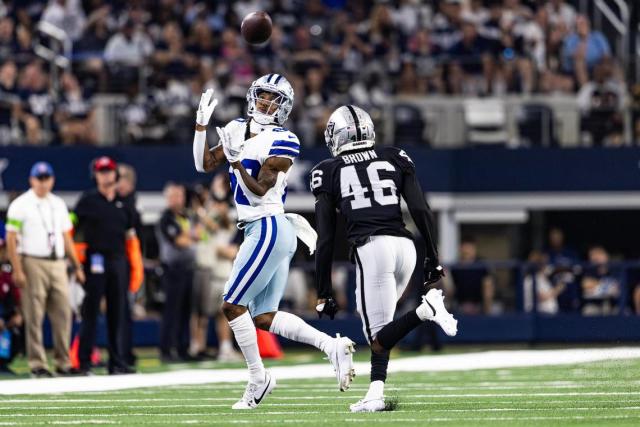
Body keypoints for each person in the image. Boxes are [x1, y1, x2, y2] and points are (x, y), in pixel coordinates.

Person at [192, 74, 355, 410]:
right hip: (261, 229)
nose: (266, 104)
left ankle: (258, 377)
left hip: (267, 224)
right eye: (262, 97)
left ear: (284, 107)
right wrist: (200, 128)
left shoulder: (285, 139)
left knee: (231, 305)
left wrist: (236, 162)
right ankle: (331, 346)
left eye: (273, 99)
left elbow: (259, 189)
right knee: (263, 316)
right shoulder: (237, 128)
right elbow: (203, 164)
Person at [310, 105, 458, 413]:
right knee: (385, 332)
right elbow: (420, 210)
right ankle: (375, 394)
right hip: (406, 248)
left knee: (376, 336)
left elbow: (325, 238)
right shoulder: (394, 155)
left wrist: (323, 290)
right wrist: (433, 256)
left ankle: (425, 310)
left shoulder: (329, 168)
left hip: (373, 248)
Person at [5, 161, 85, 377]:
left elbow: (66, 236)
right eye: (39, 178)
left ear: (52, 180)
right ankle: (37, 363)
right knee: (34, 313)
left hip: (58, 262)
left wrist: (76, 265)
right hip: (32, 260)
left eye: (46, 178)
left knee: (63, 313)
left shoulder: (58, 204)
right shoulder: (20, 204)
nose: (43, 182)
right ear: (31, 180)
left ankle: (63, 362)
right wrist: (17, 268)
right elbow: (11, 239)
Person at [74, 156, 140, 375]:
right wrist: (77, 264)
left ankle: (117, 362)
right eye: (101, 172)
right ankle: (83, 362)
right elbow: (74, 234)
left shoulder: (125, 205)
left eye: (109, 171)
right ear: (96, 175)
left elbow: (131, 239)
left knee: (118, 312)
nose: (105, 175)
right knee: (90, 311)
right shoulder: (87, 201)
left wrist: (135, 268)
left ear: (115, 174)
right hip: (94, 261)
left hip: (118, 261)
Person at [156, 182, 197, 362]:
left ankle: (182, 348)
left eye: (180, 196)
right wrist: (192, 237)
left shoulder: (185, 216)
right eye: (174, 196)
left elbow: (198, 235)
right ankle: (166, 350)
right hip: (172, 270)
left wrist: (191, 237)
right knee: (171, 311)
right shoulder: (166, 218)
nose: (177, 199)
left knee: (186, 311)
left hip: (188, 269)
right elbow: (180, 241)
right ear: (167, 198)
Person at [449, 238, 495, 315]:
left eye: (469, 249)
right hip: (460, 306)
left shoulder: (482, 266)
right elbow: (451, 288)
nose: (467, 251)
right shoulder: (455, 267)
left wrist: (487, 310)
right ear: (461, 249)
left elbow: (488, 287)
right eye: (465, 249)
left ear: (474, 250)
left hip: (479, 306)